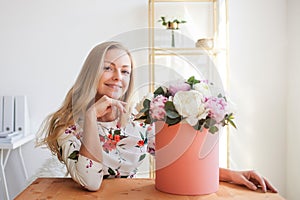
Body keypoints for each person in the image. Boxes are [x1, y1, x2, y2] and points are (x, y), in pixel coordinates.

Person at [37, 41, 278, 193]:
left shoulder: (138, 122)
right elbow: (91, 182)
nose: (117, 77)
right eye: (108, 67)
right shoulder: (67, 128)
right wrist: (90, 116)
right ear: (92, 73)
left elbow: (179, 161)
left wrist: (234, 174)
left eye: (125, 71)